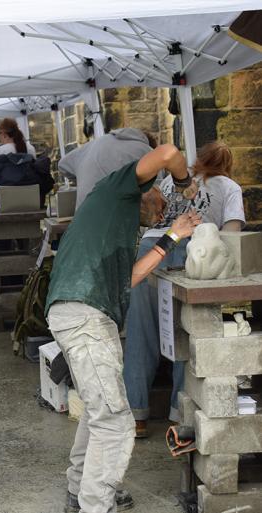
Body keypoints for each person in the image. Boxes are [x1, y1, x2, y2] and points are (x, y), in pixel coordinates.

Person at [45, 144, 202, 513]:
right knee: (115, 422)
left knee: (100, 407)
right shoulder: (118, 189)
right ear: (148, 190)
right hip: (84, 315)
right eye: (161, 205)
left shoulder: (117, 222)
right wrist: (184, 184)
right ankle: (95, 506)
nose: (161, 213)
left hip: (80, 313)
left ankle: (77, 487)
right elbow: (167, 152)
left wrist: (172, 236)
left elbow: (127, 278)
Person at [124, 141, 245, 438]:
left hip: (150, 249)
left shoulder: (170, 182)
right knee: (184, 334)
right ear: (227, 165)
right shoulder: (229, 187)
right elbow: (231, 235)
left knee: (141, 332)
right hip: (189, 251)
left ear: (197, 161)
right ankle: (180, 417)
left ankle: (136, 416)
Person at [58, 128, 155, 211]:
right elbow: (157, 189)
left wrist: (82, 177)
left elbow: (63, 165)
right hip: (116, 217)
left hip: (83, 216)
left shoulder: (96, 142)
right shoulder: (147, 151)